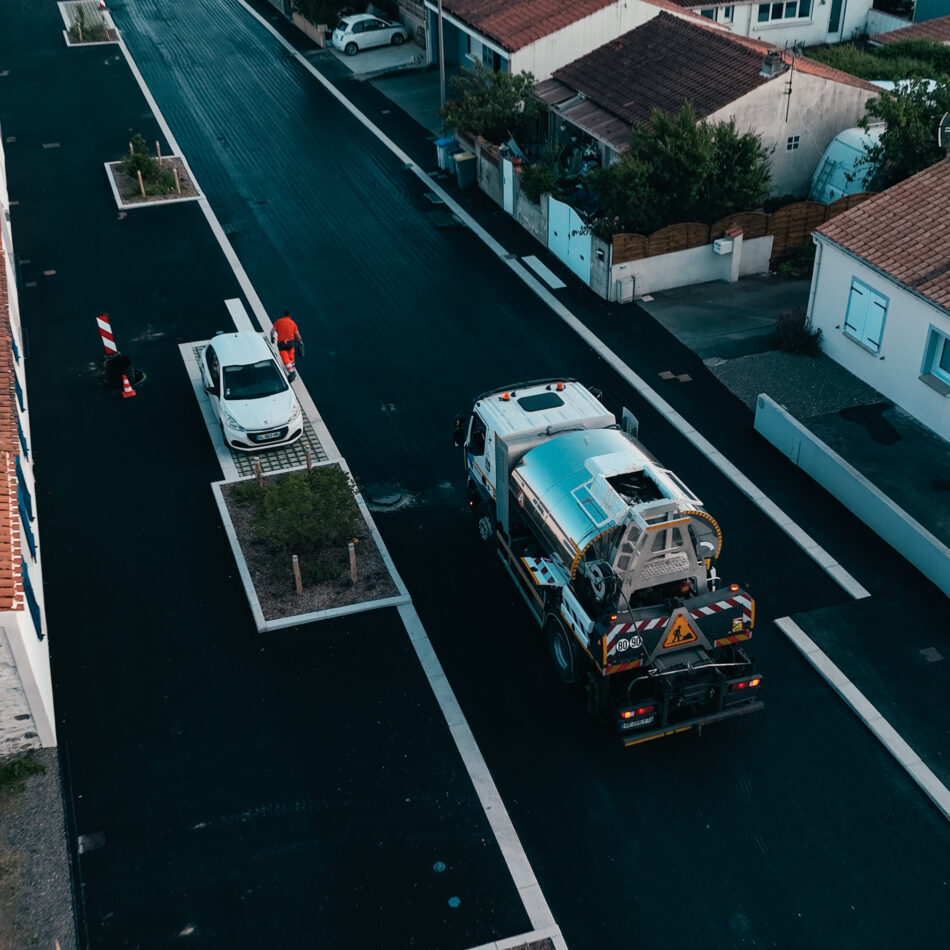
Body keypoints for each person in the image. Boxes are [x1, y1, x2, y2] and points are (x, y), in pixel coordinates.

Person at [270, 310, 303, 381]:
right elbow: (298, 336)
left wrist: (272, 338)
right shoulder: (293, 323)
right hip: (290, 343)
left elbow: (272, 331)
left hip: (281, 343)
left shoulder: (278, 321)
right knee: (291, 357)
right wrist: (300, 342)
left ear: (284, 315)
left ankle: (292, 372)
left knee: (285, 358)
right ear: (290, 316)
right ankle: (292, 367)